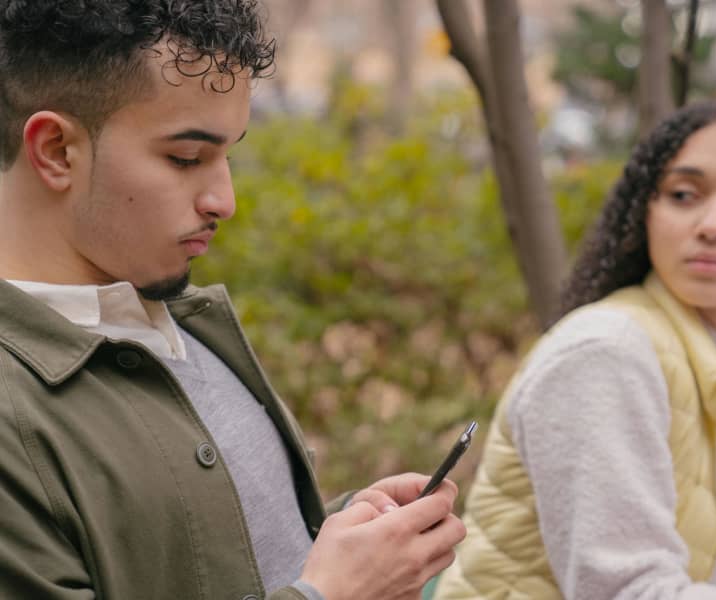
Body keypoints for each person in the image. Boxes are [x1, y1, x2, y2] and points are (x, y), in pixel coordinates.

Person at [0, 2, 466, 599]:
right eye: (186, 159)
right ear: (57, 150)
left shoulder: (184, 321)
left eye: (229, 155)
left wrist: (347, 537)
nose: (224, 199)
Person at [433, 100, 716, 600]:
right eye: (684, 194)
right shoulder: (605, 354)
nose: (712, 224)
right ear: (645, 212)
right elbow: (625, 593)